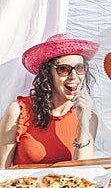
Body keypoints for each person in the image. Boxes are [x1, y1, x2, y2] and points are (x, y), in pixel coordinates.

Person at [0, 33, 99, 169]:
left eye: (79, 68)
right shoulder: (18, 111)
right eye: (63, 69)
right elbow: (2, 171)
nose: (73, 76)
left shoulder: (89, 118)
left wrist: (83, 122)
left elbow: (84, 172)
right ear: (48, 74)